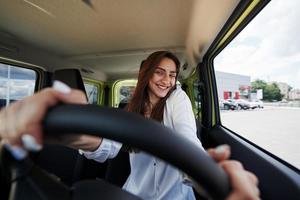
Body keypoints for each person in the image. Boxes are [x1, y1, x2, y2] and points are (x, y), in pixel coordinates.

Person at [0, 51, 260, 200]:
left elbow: (186, 136)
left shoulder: (177, 99)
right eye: (160, 72)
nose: (166, 80)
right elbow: (107, 147)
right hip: (134, 195)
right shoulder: (129, 109)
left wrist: (209, 175)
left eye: (171, 74)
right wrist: (74, 135)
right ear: (146, 75)